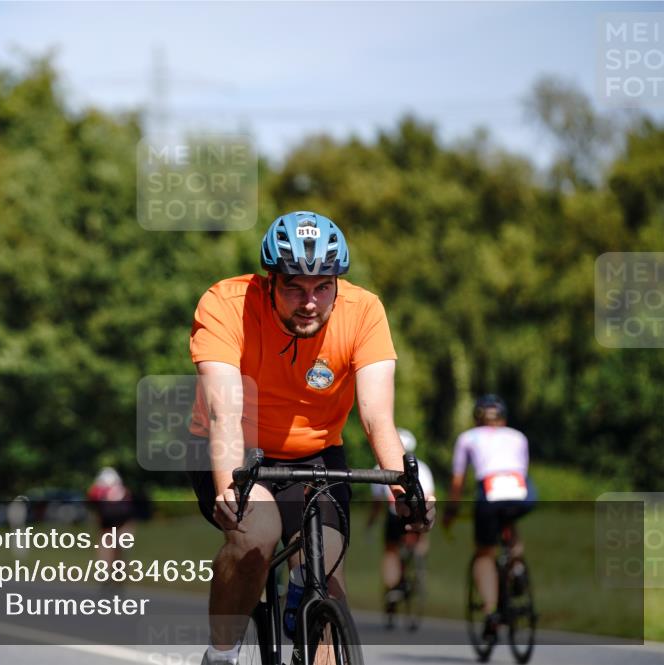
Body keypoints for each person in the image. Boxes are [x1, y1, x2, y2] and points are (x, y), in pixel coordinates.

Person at [187, 211, 435, 664]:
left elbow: (378, 417)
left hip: (318, 455)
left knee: (326, 573)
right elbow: (225, 411)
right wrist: (228, 485)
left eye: (324, 287)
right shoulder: (226, 304)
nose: (310, 302)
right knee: (255, 536)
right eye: (294, 288)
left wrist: (402, 481)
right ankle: (220, 654)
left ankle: (308, 610)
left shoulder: (365, 312)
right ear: (269, 281)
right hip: (239, 450)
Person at [442, 394, 536, 639]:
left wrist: (451, 511)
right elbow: (522, 470)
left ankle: (491, 610)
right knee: (510, 523)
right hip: (522, 492)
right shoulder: (518, 436)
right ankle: (516, 567)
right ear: (503, 418)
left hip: (490, 491)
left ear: (477, 419)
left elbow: (458, 480)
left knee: (484, 553)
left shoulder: (467, 438)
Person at [367, 428, 435, 618]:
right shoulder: (424, 468)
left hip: (394, 515)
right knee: (421, 540)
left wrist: (371, 522)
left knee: (390, 550)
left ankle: (391, 589)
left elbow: (377, 504)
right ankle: (419, 564)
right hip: (416, 514)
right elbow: (429, 496)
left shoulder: (377, 468)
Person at [87, 467, 135, 567]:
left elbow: (93, 503)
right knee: (118, 543)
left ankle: (104, 567)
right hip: (123, 518)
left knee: (105, 541)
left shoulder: (98, 488)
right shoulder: (123, 489)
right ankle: (118, 565)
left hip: (106, 518)